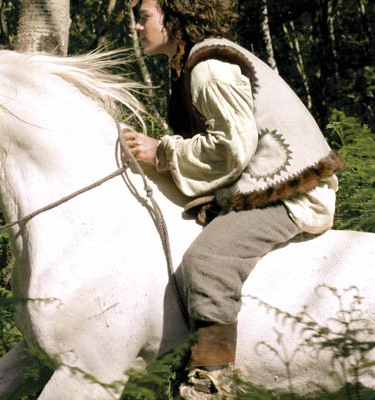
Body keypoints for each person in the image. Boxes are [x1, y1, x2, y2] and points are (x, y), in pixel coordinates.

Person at [122, 0, 342, 398]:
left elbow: (230, 149)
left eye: (144, 17)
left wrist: (162, 152)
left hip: (292, 193)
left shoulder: (207, 68)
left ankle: (211, 380)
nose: (137, 27)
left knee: (208, 261)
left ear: (173, 20)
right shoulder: (192, 63)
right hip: (263, 186)